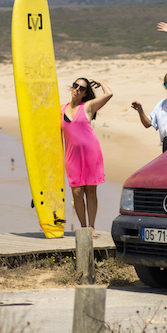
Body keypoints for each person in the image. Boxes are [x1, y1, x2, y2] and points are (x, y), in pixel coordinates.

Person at [61, 77, 113, 233]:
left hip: (91, 152)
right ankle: (83, 227)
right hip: (72, 156)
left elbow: (109, 94)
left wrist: (101, 83)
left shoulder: (88, 106)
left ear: (85, 93)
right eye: (75, 86)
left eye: (82, 88)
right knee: (77, 193)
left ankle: (91, 227)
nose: (77, 89)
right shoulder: (61, 109)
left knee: (91, 191)